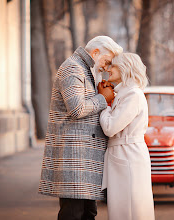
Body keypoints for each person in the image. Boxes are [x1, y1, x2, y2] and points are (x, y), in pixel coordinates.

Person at [38, 36, 123, 220]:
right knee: (73, 214)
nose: (107, 67)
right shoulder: (72, 68)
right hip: (74, 156)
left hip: (84, 158)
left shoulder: (87, 70)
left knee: (88, 213)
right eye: (107, 61)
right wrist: (103, 98)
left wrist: (101, 93)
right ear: (95, 53)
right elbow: (76, 109)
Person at [99, 53, 155, 220]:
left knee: (130, 208)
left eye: (113, 66)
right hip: (123, 154)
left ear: (125, 68)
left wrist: (104, 102)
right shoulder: (124, 93)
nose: (108, 69)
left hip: (128, 155)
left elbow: (110, 127)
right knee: (123, 208)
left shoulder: (133, 95)